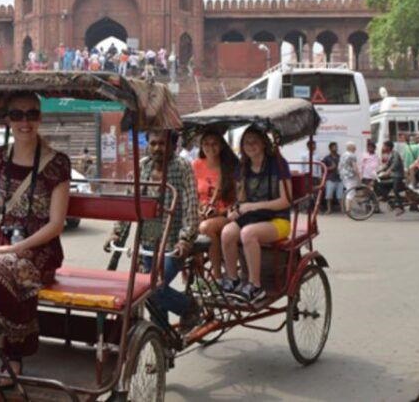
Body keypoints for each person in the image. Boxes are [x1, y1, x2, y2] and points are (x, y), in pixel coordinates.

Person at [0, 92, 71, 379]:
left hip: (40, 250)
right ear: (8, 120)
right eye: (18, 115)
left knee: (1, 269)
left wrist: (12, 249)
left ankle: (15, 351)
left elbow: (56, 224)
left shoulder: (56, 163)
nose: (25, 121)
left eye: (32, 114)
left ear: (40, 117)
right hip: (1, 242)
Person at [105, 131, 200, 330]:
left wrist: (185, 239)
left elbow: (191, 206)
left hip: (173, 243)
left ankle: (189, 307)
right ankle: (161, 341)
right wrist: (116, 233)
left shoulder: (182, 167)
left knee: (152, 288)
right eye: (154, 143)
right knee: (150, 296)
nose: (158, 148)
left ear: (173, 146)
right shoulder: (143, 166)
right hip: (147, 243)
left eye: (163, 144)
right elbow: (130, 203)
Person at [219, 126, 293, 303]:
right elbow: (240, 200)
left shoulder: (278, 165)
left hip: (278, 219)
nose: (250, 146)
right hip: (253, 218)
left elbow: (285, 201)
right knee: (227, 232)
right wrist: (234, 210)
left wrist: (252, 206)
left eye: (254, 142)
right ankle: (233, 279)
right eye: (246, 142)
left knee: (248, 233)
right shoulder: (243, 168)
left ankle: (255, 286)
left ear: (263, 144)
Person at [191, 131, 238, 282]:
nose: (210, 147)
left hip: (225, 215)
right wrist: (199, 208)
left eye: (214, 143)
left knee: (205, 228)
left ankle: (217, 277)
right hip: (201, 212)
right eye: (206, 143)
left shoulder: (231, 167)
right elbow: (192, 194)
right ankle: (196, 275)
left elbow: (238, 200)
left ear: (222, 146)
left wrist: (218, 212)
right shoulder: (196, 165)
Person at [376, 141, 406, 212]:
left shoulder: (395, 154)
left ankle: (401, 207)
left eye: (384, 146)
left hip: (398, 176)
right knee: (381, 184)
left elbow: (395, 164)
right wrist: (378, 171)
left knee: (395, 190)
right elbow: (387, 165)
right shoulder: (389, 154)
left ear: (388, 147)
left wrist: (388, 171)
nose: (383, 148)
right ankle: (387, 199)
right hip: (393, 175)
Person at [321, 142, 341, 214]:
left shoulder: (340, 157)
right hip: (330, 179)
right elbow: (322, 169)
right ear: (330, 148)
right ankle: (329, 209)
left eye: (336, 146)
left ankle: (343, 210)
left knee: (340, 196)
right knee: (329, 195)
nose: (335, 148)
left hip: (339, 179)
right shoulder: (326, 158)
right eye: (334, 147)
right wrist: (330, 168)